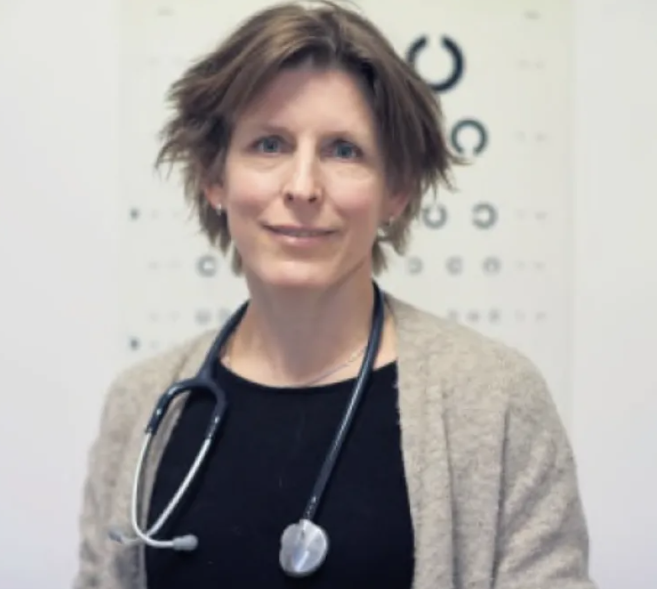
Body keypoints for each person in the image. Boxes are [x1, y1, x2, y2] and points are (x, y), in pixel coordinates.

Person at [73, 1, 597, 588]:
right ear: (214, 177)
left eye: (343, 150)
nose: (302, 187)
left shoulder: (495, 401)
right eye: (269, 144)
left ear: (397, 189)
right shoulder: (140, 403)